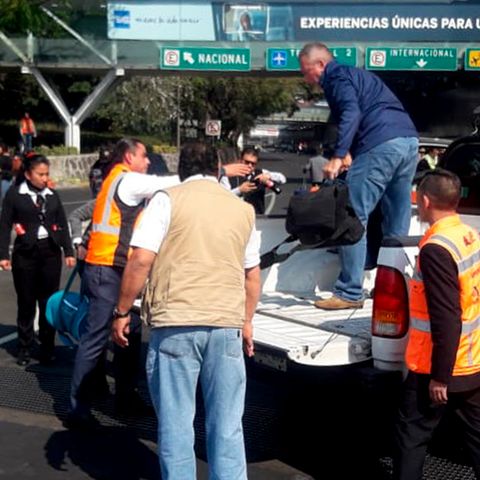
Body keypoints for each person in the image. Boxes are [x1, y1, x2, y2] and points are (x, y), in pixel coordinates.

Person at [111, 141, 261, 479]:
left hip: (176, 323)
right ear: (217, 168)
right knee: (227, 425)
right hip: (226, 325)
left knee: (177, 424)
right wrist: (247, 320)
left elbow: (140, 260)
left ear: (181, 170)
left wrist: (122, 311)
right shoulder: (241, 209)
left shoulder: (167, 200)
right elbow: (252, 276)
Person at [65, 138, 180, 429]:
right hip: (107, 269)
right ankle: (79, 410)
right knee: (96, 338)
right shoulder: (127, 180)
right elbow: (171, 182)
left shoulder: (118, 180)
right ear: (129, 157)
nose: (147, 162)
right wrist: (213, 173)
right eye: (143, 156)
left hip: (118, 268)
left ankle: (126, 397)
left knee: (129, 333)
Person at [299, 42, 418, 310]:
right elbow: (366, 110)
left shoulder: (336, 77)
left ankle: (350, 292)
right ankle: (393, 285)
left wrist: (339, 155)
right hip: (408, 142)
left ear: (320, 64)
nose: (306, 78)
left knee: (352, 217)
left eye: (306, 72)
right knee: (397, 219)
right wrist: (351, 150)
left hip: (380, 144)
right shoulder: (358, 75)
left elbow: (351, 112)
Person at [393, 169, 480, 480]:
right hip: (470, 361)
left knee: (411, 437)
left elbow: (446, 316)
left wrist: (440, 377)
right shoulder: (468, 235)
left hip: (438, 366)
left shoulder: (437, 249)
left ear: (425, 201)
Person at [0, 154, 75, 366]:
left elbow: (62, 223)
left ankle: (47, 347)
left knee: (47, 302)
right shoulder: (15, 195)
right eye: (40, 174)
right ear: (28, 174)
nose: (44, 178)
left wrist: (68, 251)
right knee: (26, 302)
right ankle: (24, 347)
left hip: (50, 252)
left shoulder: (52, 195)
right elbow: (4, 225)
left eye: (47, 174)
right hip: (25, 253)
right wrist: (3, 255)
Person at [229, 147, 286, 214]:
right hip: (236, 217)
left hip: (258, 218)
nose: (250, 165)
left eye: (253, 164)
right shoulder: (229, 175)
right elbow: (222, 197)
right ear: (240, 161)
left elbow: (282, 179)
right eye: (247, 162)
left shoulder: (261, 173)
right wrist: (239, 190)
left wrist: (268, 176)